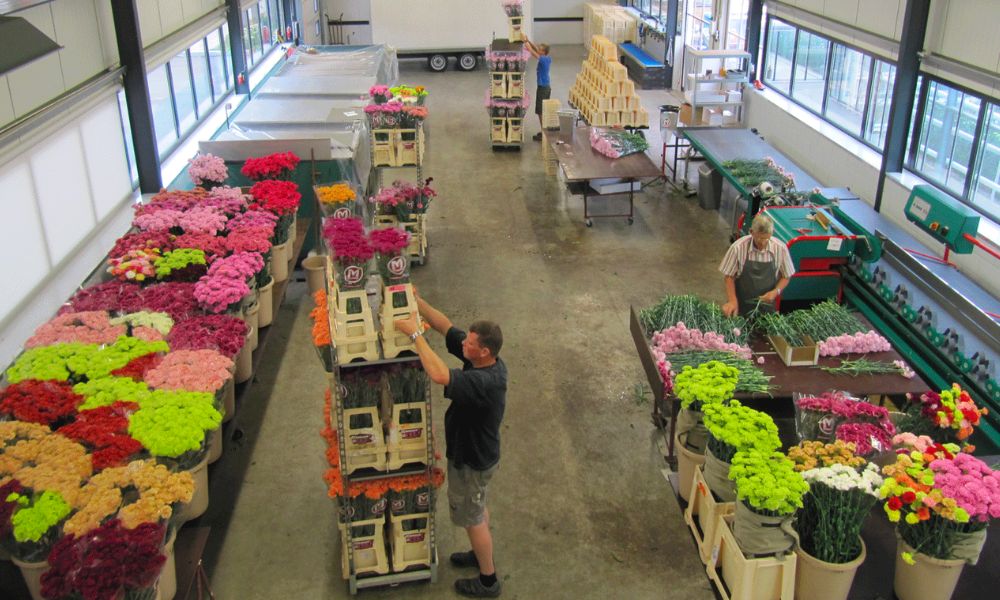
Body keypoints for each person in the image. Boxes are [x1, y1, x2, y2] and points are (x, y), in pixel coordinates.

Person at [394, 294, 507, 598]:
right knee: (478, 507)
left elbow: (439, 374)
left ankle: (488, 579)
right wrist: (418, 302)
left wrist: (415, 333)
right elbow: (445, 327)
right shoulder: (483, 359)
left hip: (473, 459)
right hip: (480, 455)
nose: (463, 345)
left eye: (470, 344)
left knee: (472, 514)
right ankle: (479, 552)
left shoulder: (483, 382)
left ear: (484, 352)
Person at [720, 213, 795, 317]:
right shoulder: (738, 248)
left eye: (766, 239)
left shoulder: (780, 249)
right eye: (759, 238)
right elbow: (729, 276)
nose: (763, 243)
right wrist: (732, 300)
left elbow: (786, 275)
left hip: (766, 308)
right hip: (741, 305)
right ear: (751, 232)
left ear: (772, 233)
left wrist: (776, 291)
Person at [524, 38, 551, 142]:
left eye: (540, 49)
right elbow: (535, 49)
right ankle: (544, 130)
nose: (538, 49)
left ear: (543, 52)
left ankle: (544, 133)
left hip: (543, 88)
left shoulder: (543, 59)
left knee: (540, 111)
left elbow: (531, 51)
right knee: (542, 110)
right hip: (546, 87)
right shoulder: (547, 58)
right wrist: (528, 40)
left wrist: (525, 43)